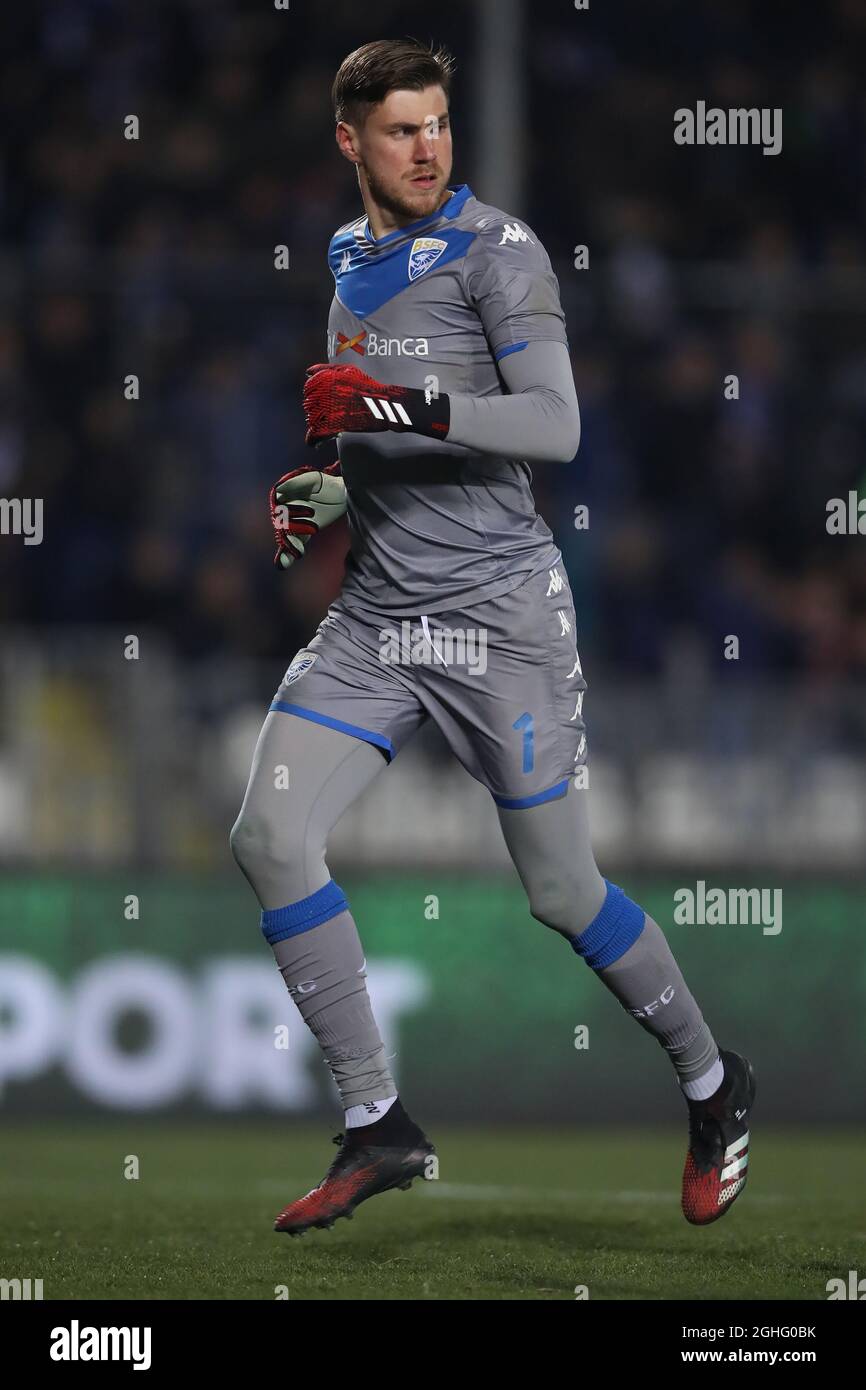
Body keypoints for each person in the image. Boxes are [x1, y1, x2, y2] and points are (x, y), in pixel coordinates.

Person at [230, 37, 755, 1236]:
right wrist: (320, 492)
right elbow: (366, 442)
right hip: (375, 615)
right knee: (267, 833)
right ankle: (377, 1121)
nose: (426, 148)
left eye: (438, 125)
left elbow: (555, 427)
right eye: (400, 129)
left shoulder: (498, 252)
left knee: (563, 890)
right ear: (349, 143)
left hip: (498, 618)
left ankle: (713, 1084)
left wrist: (402, 404)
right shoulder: (346, 257)